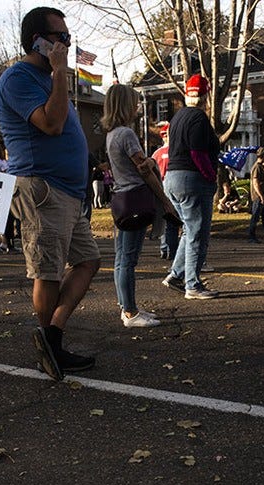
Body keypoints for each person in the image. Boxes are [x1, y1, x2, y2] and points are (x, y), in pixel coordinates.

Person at [0, 6, 101, 380]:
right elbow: (52, 125)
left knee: (88, 260)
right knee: (49, 272)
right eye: (60, 37)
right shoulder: (17, 79)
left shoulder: (51, 80)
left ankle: (52, 334)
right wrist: (58, 73)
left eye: (67, 38)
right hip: (42, 189)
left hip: (69, 193)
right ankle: (51, 350)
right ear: (36, 40)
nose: (67, 44)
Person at [103, 84, 179, 328]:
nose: (137, 107)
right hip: (134, 197)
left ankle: (128, 307)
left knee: (121, 258)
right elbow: (144, 170)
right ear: (124, 105)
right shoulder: (126, 134)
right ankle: (130, 312)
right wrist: (164, 200)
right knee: (128, 259)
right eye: (134, 102)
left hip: (121, 199)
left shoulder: (111, 134)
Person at [161, 73, 220, 300]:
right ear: (206, 95)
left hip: (172, 179)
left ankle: (176, 274)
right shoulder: (199, 118)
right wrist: (210, 175)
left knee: (188, 230)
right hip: (192, 180)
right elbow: (197, 153)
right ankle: (193, 285)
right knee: (198, 233)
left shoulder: (177, 118)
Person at [151, 121, 179, 259]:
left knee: (163, 220)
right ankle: (173, 251)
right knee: (174, 219)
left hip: (159, 186)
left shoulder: (156, 154)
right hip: (174, 184)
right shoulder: (176, 151)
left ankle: (164, 248)